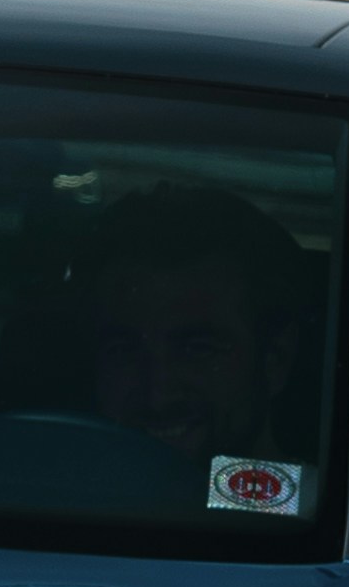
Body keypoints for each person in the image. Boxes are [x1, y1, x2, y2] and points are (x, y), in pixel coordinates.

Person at [51, 179, 315, 466]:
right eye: (123, 351)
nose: (158, 396)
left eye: (198, 349)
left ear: (275, 358)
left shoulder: (329, 493)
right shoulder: (51, 487)